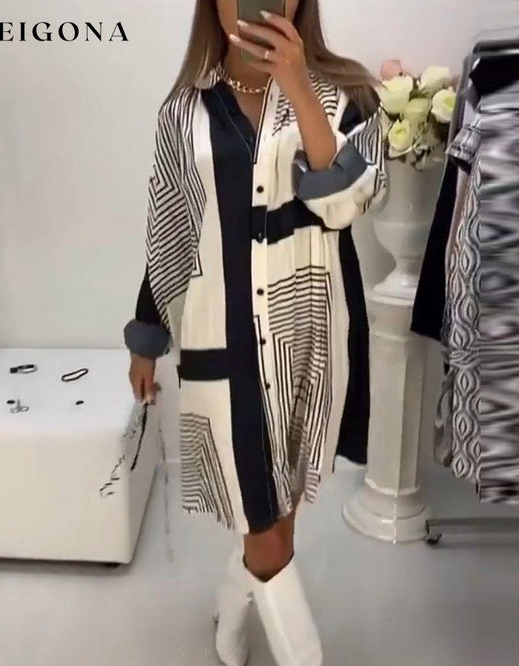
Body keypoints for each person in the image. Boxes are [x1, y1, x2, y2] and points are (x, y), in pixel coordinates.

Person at [123, 1, 387, 664]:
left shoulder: (350, 94)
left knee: (278, 509)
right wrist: (146, 337)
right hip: (225, 344)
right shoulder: (182, 113)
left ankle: (230, 618)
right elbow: (170, 234)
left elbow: (346, 206)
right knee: (261, 519)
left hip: (313, 339)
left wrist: (297, 86)